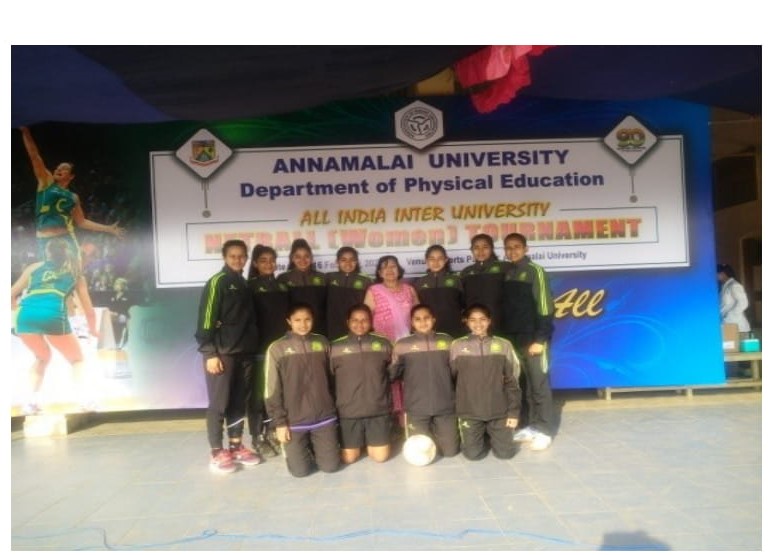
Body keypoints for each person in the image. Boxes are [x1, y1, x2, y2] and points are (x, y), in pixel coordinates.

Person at [195, 239, 262, 474]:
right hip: (222, 354)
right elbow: (206, 320)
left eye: (241, 256)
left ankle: (235, 446)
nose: (237, 260)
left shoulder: (244, 284)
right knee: (219, 404)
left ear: (246, 258)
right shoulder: (218, 282)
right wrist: (209, 352)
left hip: (244, 354)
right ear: (224, 257)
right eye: (233, 256)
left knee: (237, 403)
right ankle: (216, 451)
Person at [11, 239, 97, 414]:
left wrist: (17, 310)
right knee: (77, 360)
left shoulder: (34, 268)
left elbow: (9, 294)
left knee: (42, 358)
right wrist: (93, 329)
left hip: (25, 315)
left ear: (47, 252)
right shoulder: (75, 272)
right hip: (52, 314)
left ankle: (30, 403)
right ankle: (85, 402)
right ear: (68, 252)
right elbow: (89, 311)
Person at [20, 126, 125, 261]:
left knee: (74, 272)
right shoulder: (46, 182)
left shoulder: (73, 197)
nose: (58, 169)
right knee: (49, 272)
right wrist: (26, 131)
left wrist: (108, 229)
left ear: (71, 176)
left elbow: (81, 222)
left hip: (66, 239)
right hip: (45, 240)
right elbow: (34, 156)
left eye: (64, 168)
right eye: (57, 167)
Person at [264, 303, 340, 477]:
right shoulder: (277, 348)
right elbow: (271, 390)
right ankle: (299, 450)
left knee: (331, 467)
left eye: (307, 319)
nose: (303, 324)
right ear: (289, 321)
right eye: (297, 320)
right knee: (300, 472)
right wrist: (280, 423)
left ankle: (316, 447)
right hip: (294, 421)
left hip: (324, 417)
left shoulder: (322, 342)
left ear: (313, 320)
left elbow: (332, 378)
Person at [502, 233, 556, 451]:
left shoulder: (536, 271)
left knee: (538, 385)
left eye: (517, 246)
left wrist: (540, 339)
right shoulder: (507, 273)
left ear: (526, 248)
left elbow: (545, 307)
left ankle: (545, 430)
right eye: (508, 247)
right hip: (515, 339)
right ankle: (530, 426)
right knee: (523, 385)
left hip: (534, 338)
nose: (513, 251)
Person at [450, 304, 521, 461]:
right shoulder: (457, 345)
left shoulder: (504, 345)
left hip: (499, 411)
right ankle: (482, 437)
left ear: (489, 321)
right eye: (473, 320)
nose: (478, 324)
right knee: (473, 455)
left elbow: (513, 380)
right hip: (470, 411)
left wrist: (513, 412)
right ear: (467, 322)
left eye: (482, 319)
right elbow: (451, 378)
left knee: (506, 454)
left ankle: (494, 437)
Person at [390, 304, 459, 459]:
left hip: (445, 406)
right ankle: (430, 432)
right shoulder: (402, 345)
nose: (423, 322)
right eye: (418, 319)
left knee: (450, 452)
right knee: (420, 453)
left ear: (433, 319)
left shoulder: (448, 341)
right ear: (412, 322)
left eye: (426, 318)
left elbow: (457, 371)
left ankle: (437, 431)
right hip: (416, 408)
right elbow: (393, 374)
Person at [330, 304, 393, 464]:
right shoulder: (335, 347)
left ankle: (370, 442)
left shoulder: (384, 344)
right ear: (348, 322)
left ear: (371, 322)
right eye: (355, 320)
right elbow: (329, 377)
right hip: (349, 412)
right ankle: (360, 443)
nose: (360, 324)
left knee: (380, 457)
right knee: (349, 458)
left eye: (364, 320)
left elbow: (392, 372)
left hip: (378, 410)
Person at [364, 255, 419, 429]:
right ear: (379, 272)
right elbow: (365, 319)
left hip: (407, 345)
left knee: (407, 381)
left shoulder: (409, 290)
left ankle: (406, 423)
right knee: (387, 381)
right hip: (383, 346)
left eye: (393, 266)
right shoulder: (374, 291)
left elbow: (419, 316)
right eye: (384, 267)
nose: (389, 270)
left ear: (399, 269)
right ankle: (388, 424)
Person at [246, 244, 288, 458]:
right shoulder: (249, 287)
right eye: (263, 260)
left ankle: (273, 431)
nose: (269, 264)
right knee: (258, 395)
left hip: (281, 350)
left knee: (276, 393)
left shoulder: (282, 286)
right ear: (255, 263)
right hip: (259, 350)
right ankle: (257, 436)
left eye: (272, 260)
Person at [460, 233, 509, 333]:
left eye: (485, 247)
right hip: (475, 326)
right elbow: (462, 301)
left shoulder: (505, 268)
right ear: (471, 250)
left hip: (500, 323)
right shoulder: (466, 272)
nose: (481, 251)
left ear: (492, 248)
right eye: (476, 248)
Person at [413, 245, 465, 338]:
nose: (436, 262)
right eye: (432, 259)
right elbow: (417, 307)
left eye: (440, 258)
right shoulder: (419, 282)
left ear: (446, 260)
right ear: (426, 261)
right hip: (429, 329)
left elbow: (463, 304)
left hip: (454, 328)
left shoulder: (456, 280)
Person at [277, 239, 327, 335]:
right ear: (292, 258)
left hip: (319, 328)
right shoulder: (283, 278)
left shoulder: (322, 278)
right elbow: (282, 308)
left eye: (306, 256)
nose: (302, 260)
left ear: (311, 258)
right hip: (295, 329)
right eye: (298, 257)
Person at [326, 246, 373, 340]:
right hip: (332, 325)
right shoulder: (328, 278)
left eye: (352, 260)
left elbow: (369, 307)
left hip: (357, 325)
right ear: (337, 262)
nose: (348, 263)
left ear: (357, 262)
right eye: (343, 260)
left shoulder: (366, 281)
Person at [717, 263, 751, 336]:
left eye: (717, 274)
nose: (715, 276)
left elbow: (743, 303)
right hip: (727, 324)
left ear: (723, 274)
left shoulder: (734, 285)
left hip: (737, 326)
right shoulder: (723, 286)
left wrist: (729, 315)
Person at [108, 277, 132, 349]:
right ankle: (112, 342)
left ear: (122, 286)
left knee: (121, 318)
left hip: (124, 316)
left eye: (117, 284)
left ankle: (120, 344)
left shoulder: (128, 296)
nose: (115, 286)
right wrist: (112, 312)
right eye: (115, 284)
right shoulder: (113, 296)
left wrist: (118, 313)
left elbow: (127, 308)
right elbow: (110, 307)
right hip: (114, 315)